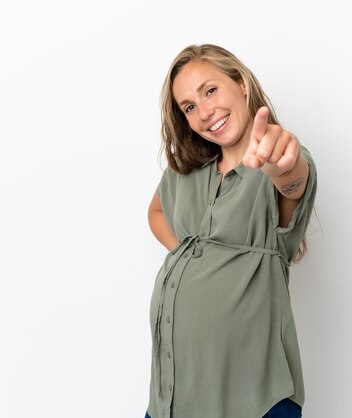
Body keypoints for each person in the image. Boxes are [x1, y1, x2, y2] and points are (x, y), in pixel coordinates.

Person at [145, 44, 317, 418]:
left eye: (210, 90)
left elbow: (293, 179)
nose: (205, 112)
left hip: (252, 403)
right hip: (170, 401)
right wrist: (188, 253)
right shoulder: (184, 174)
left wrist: (283, 165)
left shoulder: (272, 164)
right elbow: (155, 211)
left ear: (240, 83)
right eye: (189, 106)